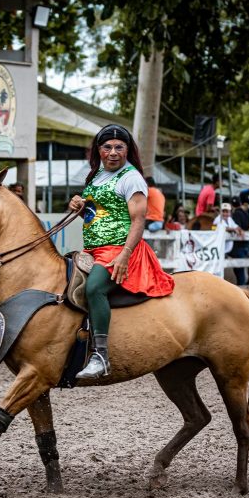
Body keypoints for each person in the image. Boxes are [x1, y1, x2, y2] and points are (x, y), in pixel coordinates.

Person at [68, 124, 174, 378]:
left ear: (127, 150)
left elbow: (138, 220)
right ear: (99, 150)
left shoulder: (131, 178)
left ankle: (101, 357)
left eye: (119, 147)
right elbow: (98, 213)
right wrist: (78, 204)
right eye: (107, 147)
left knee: (94, 288)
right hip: (92, 250)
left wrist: (124, 255)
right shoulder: (96, 175)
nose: (113, 152)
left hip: (119, 250)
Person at [228, 196, 249, 286]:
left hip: (238, 245)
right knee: (241, 266)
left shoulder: (236, 214)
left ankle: (242, 286)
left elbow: (238, 227)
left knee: (239, 267)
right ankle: (242, 284)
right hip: (246, 243)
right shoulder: (245, 213)